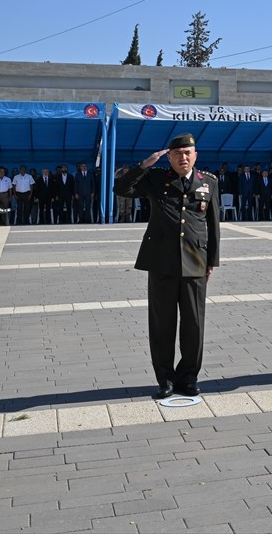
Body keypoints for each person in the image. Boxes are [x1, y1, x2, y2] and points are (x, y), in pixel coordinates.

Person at [113, 134, 220, 399]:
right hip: (161, 261)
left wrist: (211, 261)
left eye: (188, 153)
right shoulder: (156, 178)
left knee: (194, 325)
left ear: (195, 155)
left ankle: (189, 377)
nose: (183, 158)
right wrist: (144, 165)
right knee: (162, 324)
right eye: (178, 153)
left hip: (195, 261)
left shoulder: (209, 182)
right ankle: (165, 379)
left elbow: (214, 225)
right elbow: (120, 188)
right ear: (169, 157)